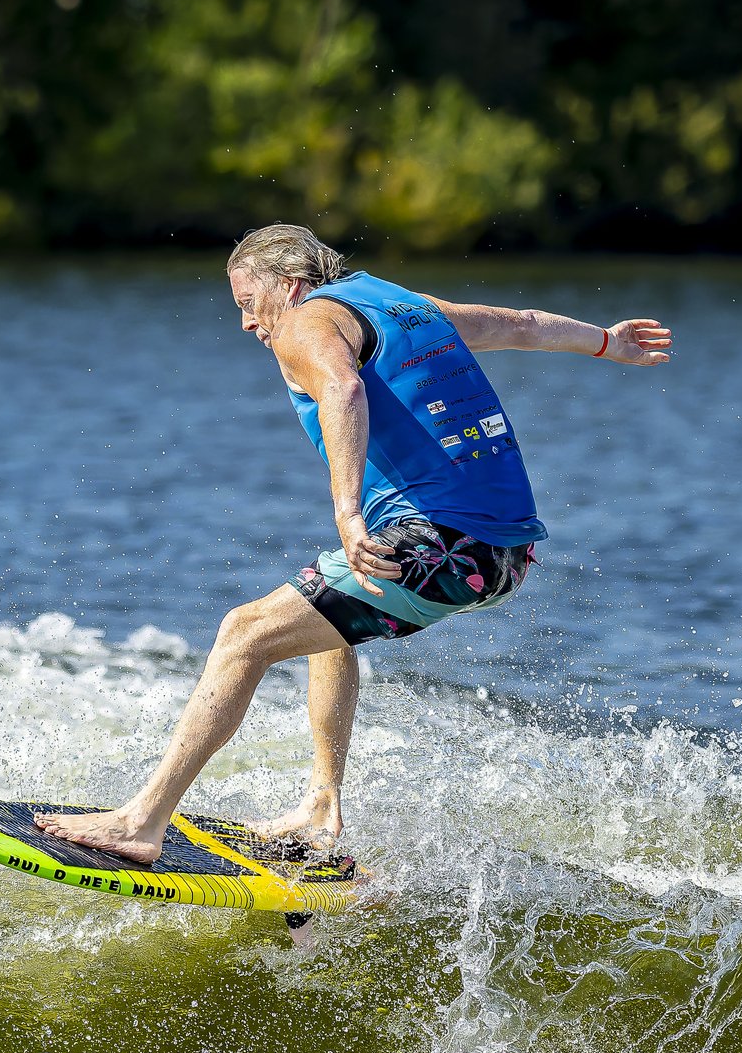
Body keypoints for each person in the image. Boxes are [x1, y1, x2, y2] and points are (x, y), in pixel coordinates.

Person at [35, 223, 671, 864]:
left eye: (248, 303)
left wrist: (347, 512)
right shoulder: (399, 303)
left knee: (244, 634)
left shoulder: (304, 321)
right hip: (503, 554)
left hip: (440, 545)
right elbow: (523, 326)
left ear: (290, 285)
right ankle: (321, 802)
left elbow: (343, 389)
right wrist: (606, 342)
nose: (247, 323)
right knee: (323, 613)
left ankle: (140, 822)